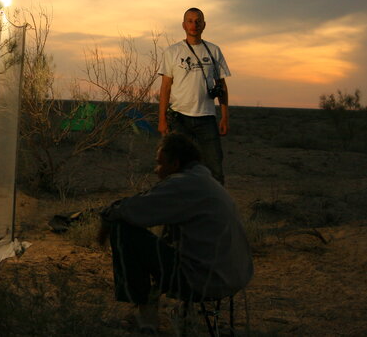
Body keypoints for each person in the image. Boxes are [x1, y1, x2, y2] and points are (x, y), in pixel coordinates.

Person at [98, 133, 253, 333]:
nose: (156, 170)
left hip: (204, 282)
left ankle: (145, 318)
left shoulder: (183, 184)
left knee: (122, 229)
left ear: (175, 163)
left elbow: (133, 210)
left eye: (160, 164)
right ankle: (162, 306)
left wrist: (106, 217)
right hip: (233, 278)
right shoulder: (206, 181)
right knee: (166, 235)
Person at [158, 7, 230, 184]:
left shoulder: (213, 51)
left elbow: (222, 85)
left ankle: (214, 206)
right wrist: (162, 119)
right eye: (190, 21)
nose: (194, 24)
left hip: (206, 117)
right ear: (183, 25)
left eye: (198, 21)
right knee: (176, 167)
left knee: (215, 168)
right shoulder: (172, 52)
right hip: (179, 116)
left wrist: (224, 117)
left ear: (204, 25)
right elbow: (166, 87)